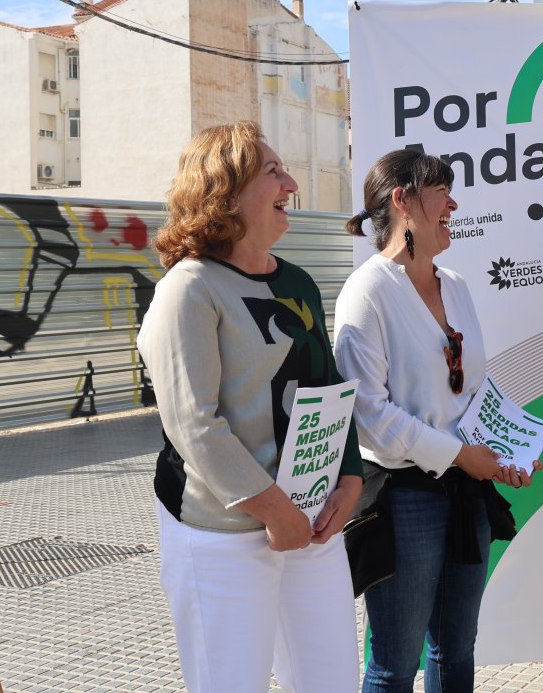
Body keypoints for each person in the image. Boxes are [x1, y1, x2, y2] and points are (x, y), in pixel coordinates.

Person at [137, 121, 363, 693]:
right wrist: (273, 510)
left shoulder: (299, 282)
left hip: (312, 520)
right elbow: (194, 424)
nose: (291, 182)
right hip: (225, 532)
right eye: (273, 171)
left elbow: (330, 388)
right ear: (225, 194)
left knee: (331, 680)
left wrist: (351, 481)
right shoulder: (190, 288)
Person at [335, 148, 539, 693]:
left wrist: (505, 452)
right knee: (394, 666)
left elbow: (472, 391)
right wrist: (460, 456)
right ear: (402, 201)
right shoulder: (367, 291)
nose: (453, 203)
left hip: (466, 495)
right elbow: (369, 416)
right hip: (404, 503)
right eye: (440, 193)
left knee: (455, 653)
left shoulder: (456, 284)